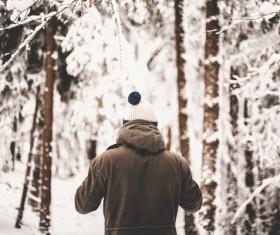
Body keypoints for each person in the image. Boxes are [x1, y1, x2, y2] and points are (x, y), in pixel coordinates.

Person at [75, 91, 202, 235]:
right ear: (154, 126)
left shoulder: (106, 161)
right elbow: (194, 203)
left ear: (125, 125)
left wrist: (98, 168)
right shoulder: (177, 162)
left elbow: (82, 205)